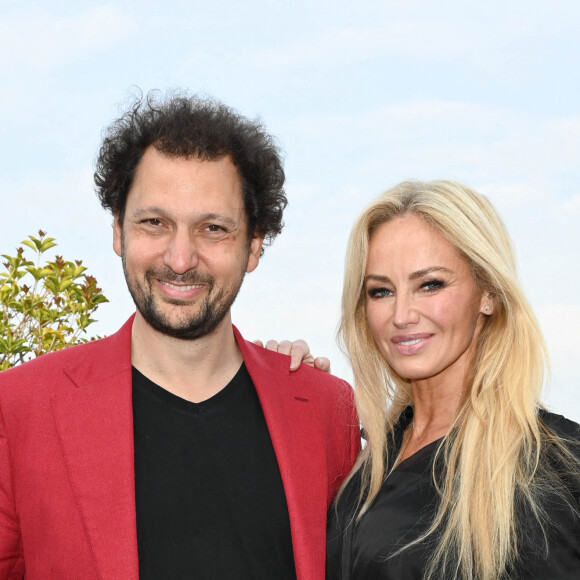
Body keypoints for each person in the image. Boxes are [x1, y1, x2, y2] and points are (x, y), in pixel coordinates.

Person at [0, 91, 360, 580]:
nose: (180, 258)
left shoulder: (326, 410)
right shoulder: (20, 407)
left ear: (254, 245)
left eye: (213, 228)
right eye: (154, 222)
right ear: (117, 231)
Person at [327, 180, 580, 579]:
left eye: (430, 284)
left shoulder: (552, 467)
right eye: (380, 291)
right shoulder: (371, 457)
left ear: (488, 293)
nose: (402, 315)